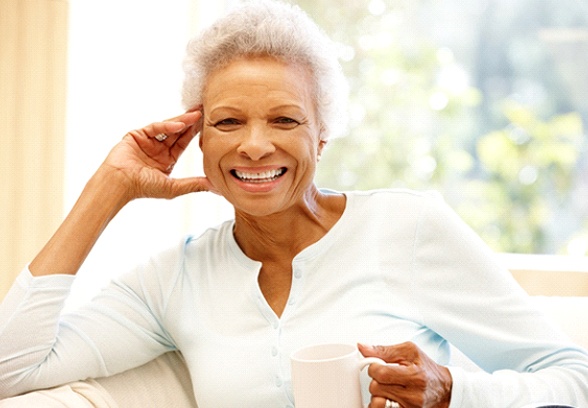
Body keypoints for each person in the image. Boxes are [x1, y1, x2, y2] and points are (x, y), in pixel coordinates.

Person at [1, 1, 587, 407]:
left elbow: (575, 379)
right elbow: (11, 371)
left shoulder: (406, 229)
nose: (256, 145)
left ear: (321, 137)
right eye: (228, 122)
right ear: (199, 139)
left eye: (285, 119)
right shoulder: (173, 278)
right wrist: (109, 190)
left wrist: (456, 391)